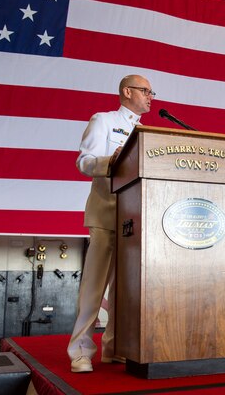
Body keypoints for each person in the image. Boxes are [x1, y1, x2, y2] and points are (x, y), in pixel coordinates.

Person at [68, 74, 155, 373]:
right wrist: (110, 160)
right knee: (94, 288)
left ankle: (114, 348)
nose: (150, 96)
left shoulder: (148, 132)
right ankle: (80, 351)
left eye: (151, 92)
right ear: (126, 91)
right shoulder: (104, 120)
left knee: (125, 289)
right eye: (145, 91)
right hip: (107, 214)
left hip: (136, 219)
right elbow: (84, 161)